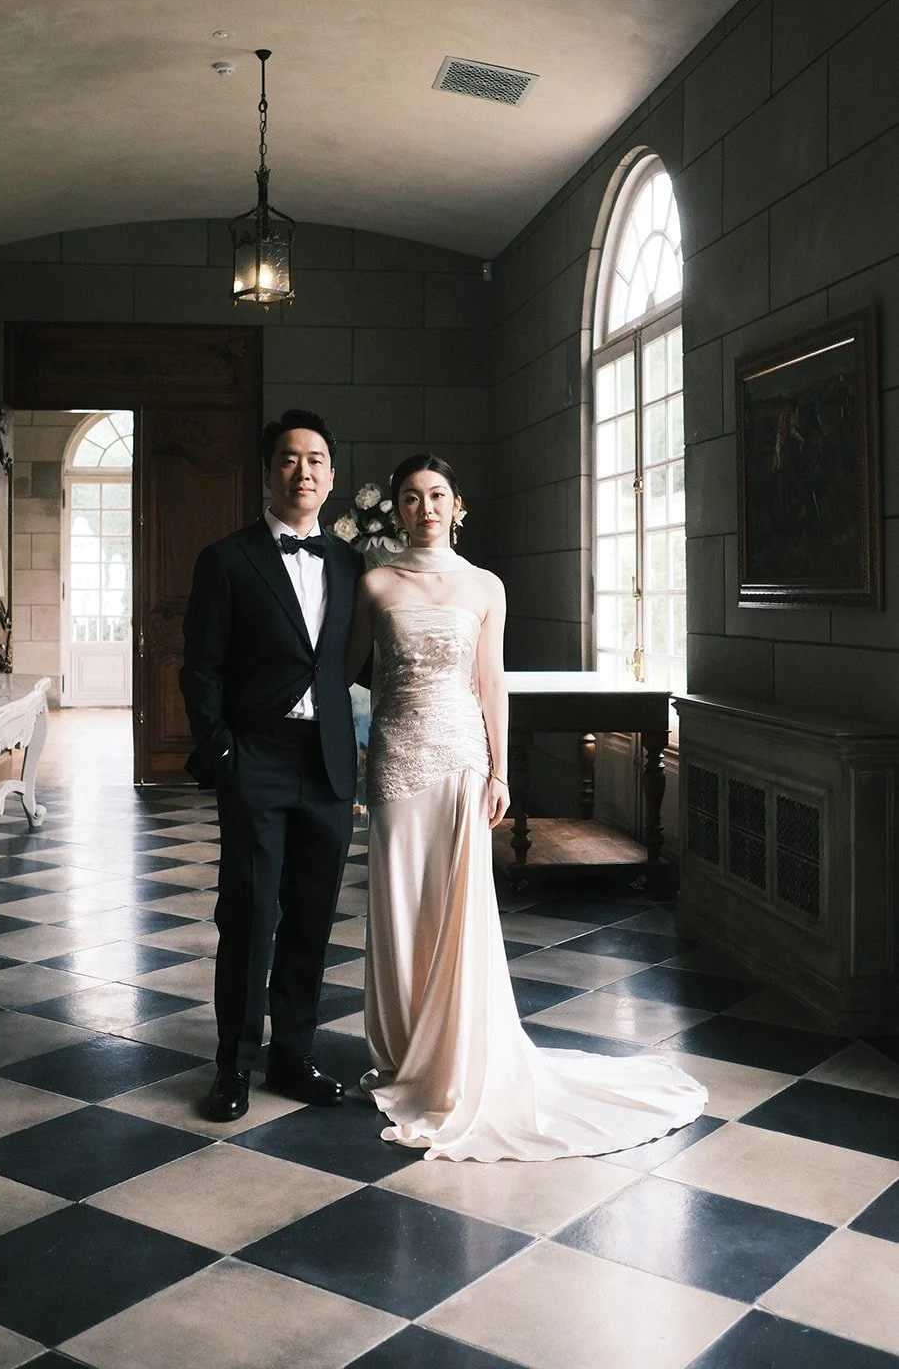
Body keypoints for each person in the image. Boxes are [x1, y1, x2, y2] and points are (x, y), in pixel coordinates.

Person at [345, 453, 707, 1161]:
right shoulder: (375, 583)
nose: (425, 507)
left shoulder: (485, 586)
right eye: (411, 497)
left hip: (459, 755)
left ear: (458, 507)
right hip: (395, 755)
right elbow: (349, 675)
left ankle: (454, 1057)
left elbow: (491, 682)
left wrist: (500, 772)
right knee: (396, 901)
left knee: (455, 904)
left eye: (437, 495)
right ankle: (402, 1054)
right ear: (397, 509)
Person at [181, 409, 364, 1123]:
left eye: (315, 460)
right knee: (250, 915)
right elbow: (200, 669)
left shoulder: (349, 564)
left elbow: (358, 663)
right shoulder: (227, 559)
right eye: (289, 459)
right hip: (255, 758)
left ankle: (293, 1055)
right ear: (267, 472)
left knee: (311, 918)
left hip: (327, 763)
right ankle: (232, 1064)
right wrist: (223, 753)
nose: (303, 472)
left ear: (332, 476)